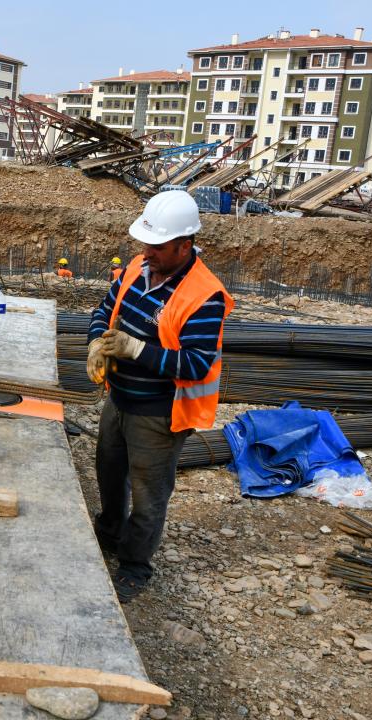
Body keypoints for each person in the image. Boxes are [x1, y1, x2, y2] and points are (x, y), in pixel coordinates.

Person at [85, 190, 233, 602]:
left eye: (158, 246)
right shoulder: (137, 266)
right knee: (110, 474)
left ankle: (135, 565)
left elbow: (197, 364)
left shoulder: (204, 295)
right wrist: (97, 342)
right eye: (145, 244)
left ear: (185, 245)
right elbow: (103, 310)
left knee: (149, 493)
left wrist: (135, 349)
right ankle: (109, 535)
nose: (147, 252)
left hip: (158, 413)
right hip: (120, 399)